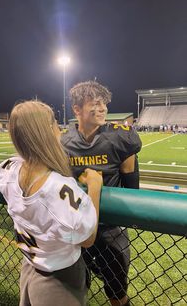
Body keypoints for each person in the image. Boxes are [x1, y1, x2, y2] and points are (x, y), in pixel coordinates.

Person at [0, 100, 103, 306]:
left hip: (29, 266)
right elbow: (88, 238)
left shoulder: (9, 170)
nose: (59, 129)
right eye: (55, 124)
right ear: (47, 132)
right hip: (59, 279)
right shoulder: (57, 189)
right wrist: (95, 188)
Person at [61, 81, 142, 306]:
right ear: (77, 109)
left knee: (116, 290)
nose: (102, 108)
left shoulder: (121, 137)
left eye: (104, 104)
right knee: (76, 284)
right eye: (94, 104)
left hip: (110, 228)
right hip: (76, 223)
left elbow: (132, 188)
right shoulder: (64, 142)